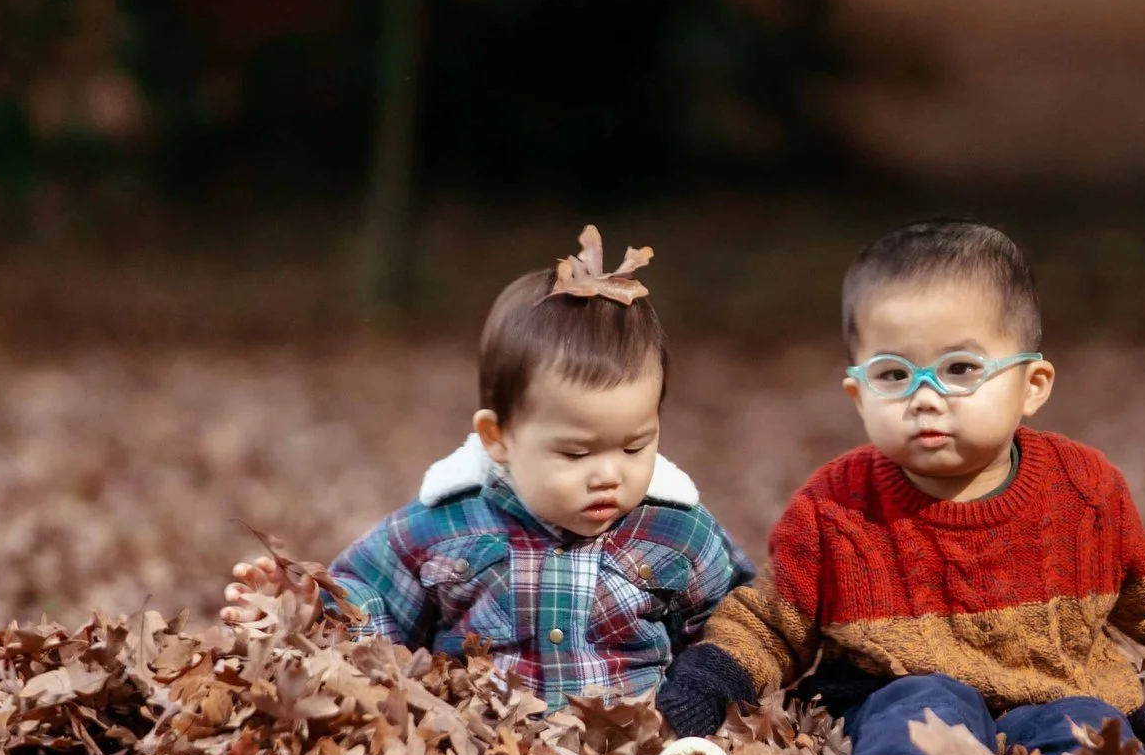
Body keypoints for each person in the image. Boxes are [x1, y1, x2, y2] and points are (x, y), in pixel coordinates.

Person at [654, 219, 1145, 755]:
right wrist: (702, 689)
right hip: (905, 699)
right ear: (858, 394)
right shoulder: (836, 508)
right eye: (894, 373)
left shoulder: (1081, 491)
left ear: (1031, 385)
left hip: (1059, 692)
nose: (926, 396)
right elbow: (768, 623)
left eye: (962, 368)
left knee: (1091, 722)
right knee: (918, 706)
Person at [225, 227, 751, 709]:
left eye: (635, 447)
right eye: (575, 453)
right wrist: (309, 610)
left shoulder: (677, 531)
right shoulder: (448, 526)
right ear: (498, 438)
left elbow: (739, 626)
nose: (608, 474)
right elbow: (372, 604)